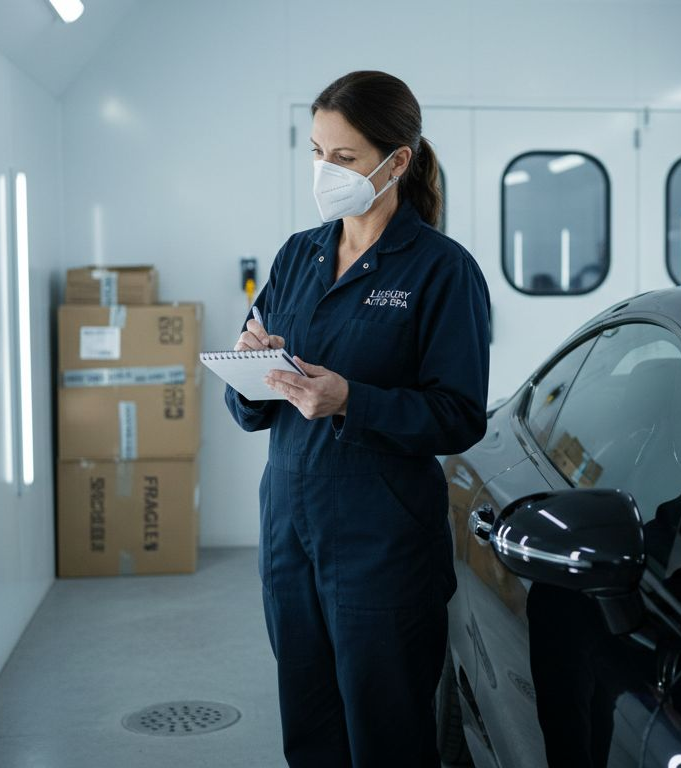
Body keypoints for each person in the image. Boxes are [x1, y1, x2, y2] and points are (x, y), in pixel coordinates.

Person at [222, 70, 491, 767]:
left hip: (382, 541)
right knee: (309, 728)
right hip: (290, 530)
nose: (325, 171)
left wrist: (353, 401)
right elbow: (249, 408)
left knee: (386, 733)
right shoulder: (297, 255)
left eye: (343, 158)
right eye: (317, 152)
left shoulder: (441, 271)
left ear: (396, 162)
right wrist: (251, 371)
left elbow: (460, 416)